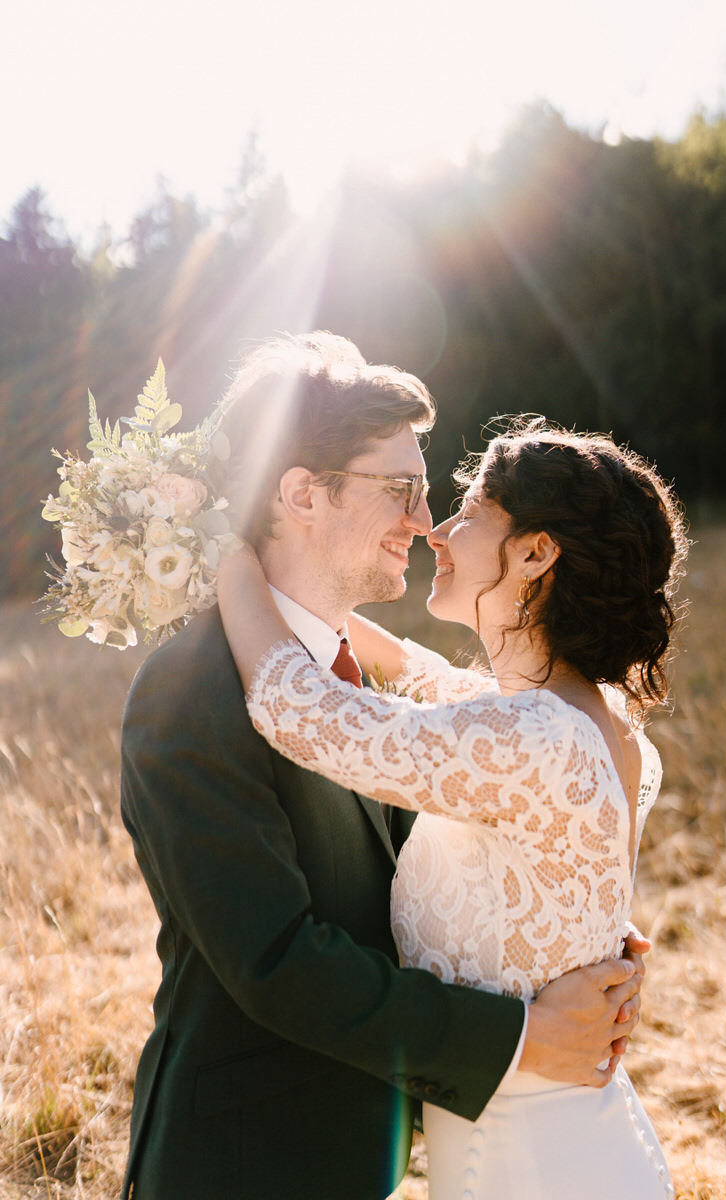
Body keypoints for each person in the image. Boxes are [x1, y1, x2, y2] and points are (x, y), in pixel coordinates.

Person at [120, 333, 646, 1200]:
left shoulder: (357, 682)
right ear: (303, 494)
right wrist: (524, 1033)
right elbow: (276, 961)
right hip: (245, 1162)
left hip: (376, 1152)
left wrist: (578, 940)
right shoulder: (189, 689)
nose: (424, 519)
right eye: (402, 489)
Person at [216, 409, 688, 1200]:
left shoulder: (536, 738)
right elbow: (422, 673)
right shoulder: (593, 720)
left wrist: (225, 555)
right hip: (578, 1147)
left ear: (535, 553)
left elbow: (302, 711)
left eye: (468, 515)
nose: (436, 532)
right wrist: (300, 586)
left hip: (534, 1172)